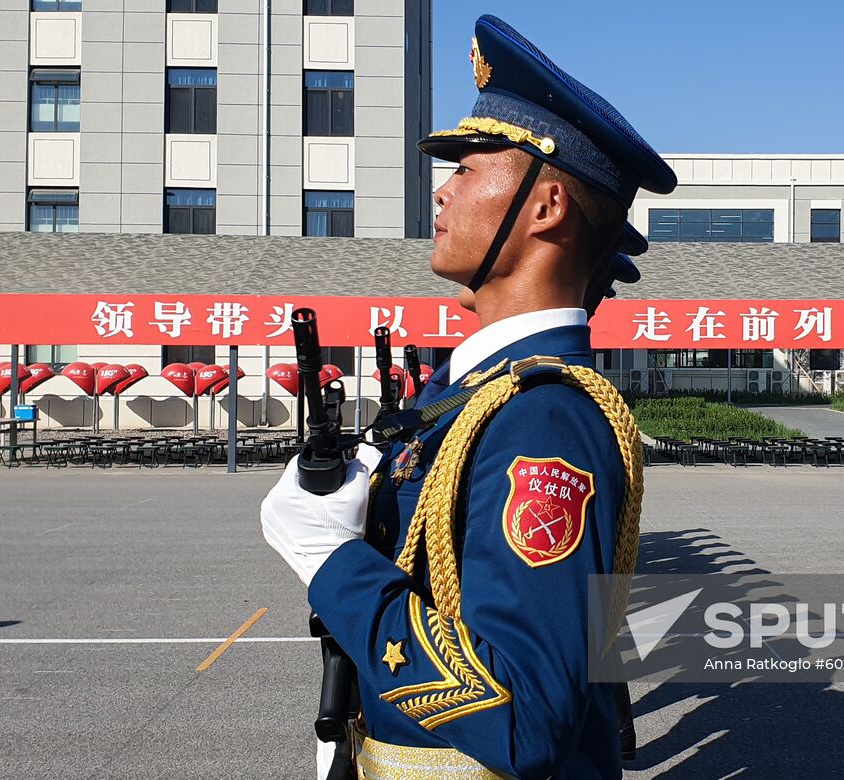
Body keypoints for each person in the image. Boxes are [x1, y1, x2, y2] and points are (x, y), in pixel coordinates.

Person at [260, 14, 677, 780]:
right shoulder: (473, 397)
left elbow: (523, 715)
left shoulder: (543, 415)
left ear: (546, 208)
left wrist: (330, 559)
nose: (443, 191)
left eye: (470, 167)